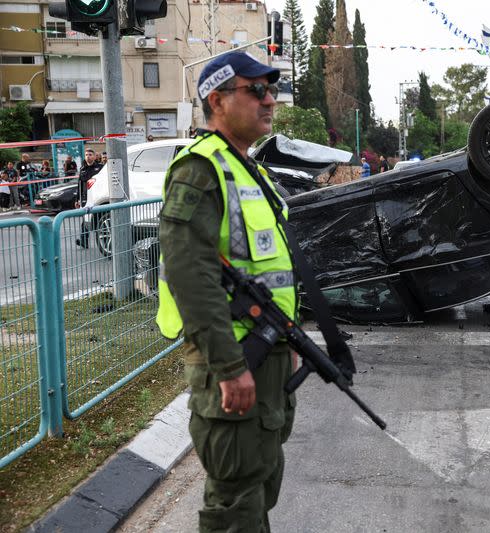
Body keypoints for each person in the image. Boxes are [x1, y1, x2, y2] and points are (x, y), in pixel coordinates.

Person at [156, 51, 296, 532]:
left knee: (260, 486)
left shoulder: (250, 170)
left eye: (271, 91)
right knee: (235, 502)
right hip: (234, 357)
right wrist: (229, 365)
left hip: (268, 352)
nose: (269, 100)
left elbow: (269, 267)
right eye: (256, 90)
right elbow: (189, 275)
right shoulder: (199, 169)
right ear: (216, 100)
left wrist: (287, 342)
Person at [75, 149, 103, 248]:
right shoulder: (83, 169)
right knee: (85, 219)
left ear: (95, 156)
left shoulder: (100, 168)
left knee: (100, 218)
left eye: (90, 154)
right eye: (86, 155)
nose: (88, 156)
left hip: (97, 196)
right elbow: (79, 185)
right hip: (85, 197)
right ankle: (84, 241)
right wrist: (77, 199)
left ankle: (104, 239)